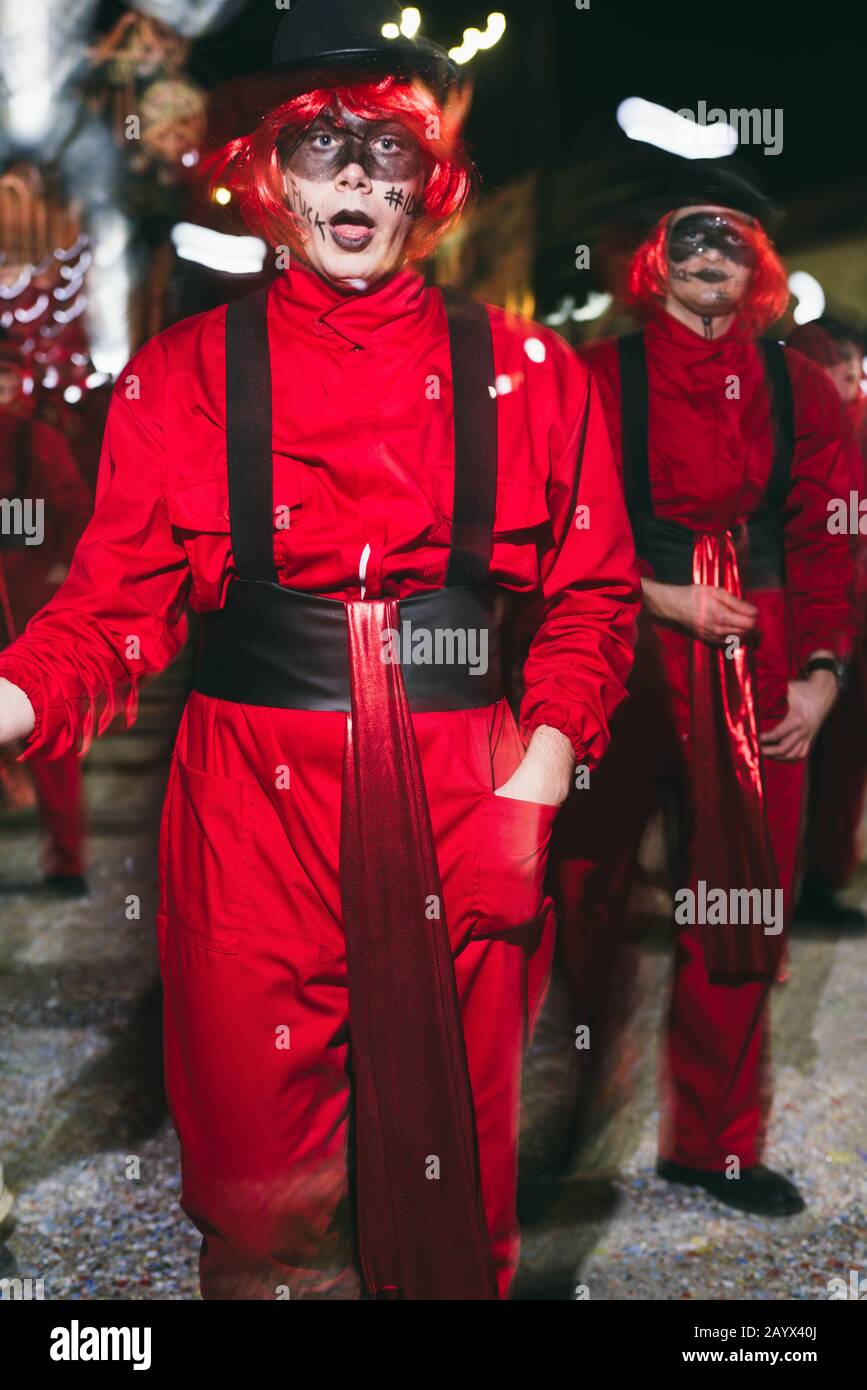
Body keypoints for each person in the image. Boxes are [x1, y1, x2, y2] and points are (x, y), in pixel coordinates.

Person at [0, 0, 639, 1299]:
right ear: (274, 177)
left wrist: (543, 761)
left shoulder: (528, 368)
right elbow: (114, 601)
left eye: (385, 149)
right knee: (253, 1182)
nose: (353, 173)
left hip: (467, 780)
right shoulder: (180, 375)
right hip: (249, 798)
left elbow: (591, 592)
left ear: (425, 179)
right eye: (319, 145)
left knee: (446, 1173)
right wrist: (11, 694)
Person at [551, 165, 853, 1217]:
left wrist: (820, 677)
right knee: (568, 890)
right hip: (616, 649)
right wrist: (654, 594)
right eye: (689, 240)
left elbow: (829, 537)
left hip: (760, 660)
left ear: (758, 268)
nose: (709, 256)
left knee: (738, 898)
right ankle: (562, 1098)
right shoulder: (592, 374)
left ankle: (714, 1145)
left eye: (731, 242)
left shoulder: (801, 387)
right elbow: (549, 521)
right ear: (656, 261)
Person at [0, 357, 93, 895]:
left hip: (29, 612)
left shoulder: (39, 443)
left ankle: (67, 861)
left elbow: (76, 512)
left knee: (47, 732)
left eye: (10, 382)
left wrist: (62, 573)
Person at [788, 321, 867, 926]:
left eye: (855, 364)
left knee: (843, 758)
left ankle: (820, 875)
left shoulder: (854, 426)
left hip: (848, 615)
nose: (851, 374)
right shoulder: (795, 428)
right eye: (838, 363)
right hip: (806, 617)